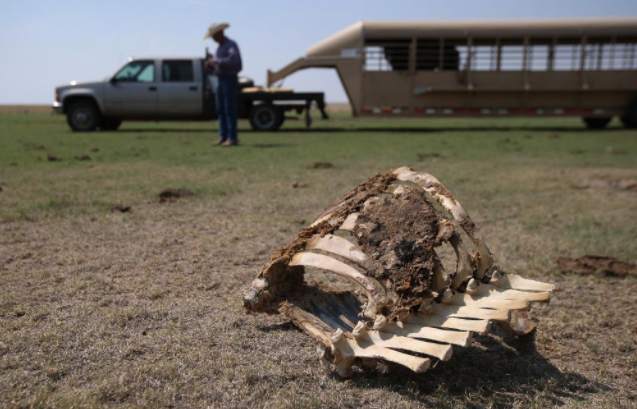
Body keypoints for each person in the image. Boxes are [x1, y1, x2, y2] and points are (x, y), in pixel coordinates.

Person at [204, 22, 243, 146]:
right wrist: (210, 66)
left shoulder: (231, 45)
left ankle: (232, 138)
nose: (213, 39)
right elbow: (218, 65)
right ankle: (223, 136)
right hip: (220, 79)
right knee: (220, 109)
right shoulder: (219, 48)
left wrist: (215, 61)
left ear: (220, 33)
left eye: (214, 36)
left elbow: (235, 61)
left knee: (229, 109)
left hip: (229, 78)